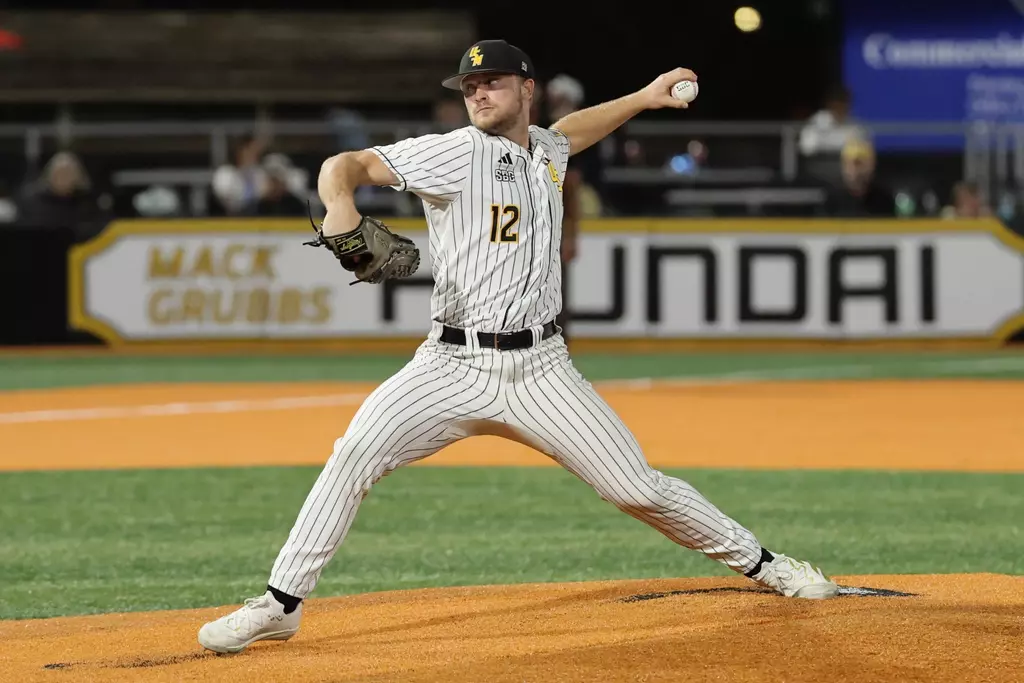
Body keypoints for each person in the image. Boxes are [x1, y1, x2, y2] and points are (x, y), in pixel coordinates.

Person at [197, 39, 839, 655]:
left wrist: (643, 97)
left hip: (540, 370)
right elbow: (348, 166)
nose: (476, 92)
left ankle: (767, 564)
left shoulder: (547, 151)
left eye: (491, 82)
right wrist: (338, 204)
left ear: (526, 89)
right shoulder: (455, 153)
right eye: (468, 85)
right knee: (353, 456)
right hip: (449, 363)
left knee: (636, 489)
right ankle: (281, 605)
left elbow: (572, 132)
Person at [821, 138, 894, 217]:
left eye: (858, 163)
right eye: (847, 163)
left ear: (871, 165)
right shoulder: (832, 200)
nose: (852, 170)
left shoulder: (884, 199)